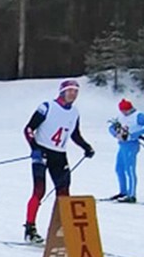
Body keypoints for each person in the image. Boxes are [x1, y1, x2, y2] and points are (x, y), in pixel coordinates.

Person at [22, 79, 95, 242]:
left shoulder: (74, 112)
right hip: (42, 152)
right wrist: (35, 149)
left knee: (64, 192)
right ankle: (30, 228)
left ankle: (62, 228)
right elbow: (28, 129)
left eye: (76, 91)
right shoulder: (47, 107)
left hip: (60, 155)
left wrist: (86, 147)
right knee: (39, 191)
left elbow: (75, 134)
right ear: (62, 92)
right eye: (70, 91)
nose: (73, 94)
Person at [110, 98, 144, 202]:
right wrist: (115, 134)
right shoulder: (120, 116)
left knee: (129, 169)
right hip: (122, 144)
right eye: (122, 110)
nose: (124, 112)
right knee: (119, 169)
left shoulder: (138, 116)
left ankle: (132, 195)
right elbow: (111, 127)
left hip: (131, 145)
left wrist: (135, 134)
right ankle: (123, 192)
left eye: (126, 110)